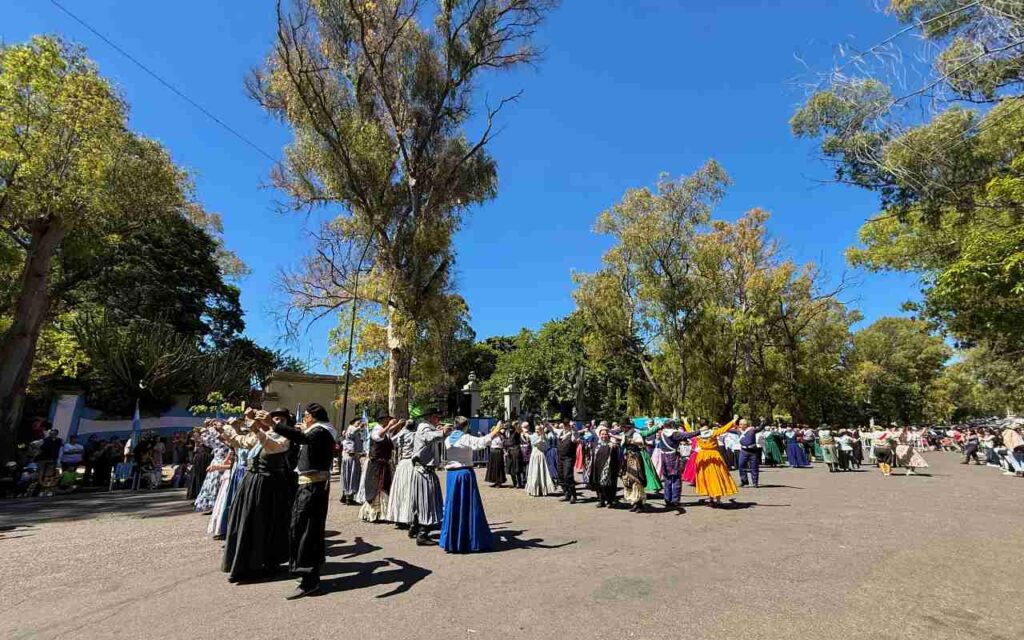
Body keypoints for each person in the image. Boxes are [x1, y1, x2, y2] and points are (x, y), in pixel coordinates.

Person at [217, 410, 293, 583]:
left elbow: (273, 446)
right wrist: (225, 429)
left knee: (263, 523)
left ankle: (264, 563)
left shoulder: (284, 437)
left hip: (269, 484)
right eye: (275, 418)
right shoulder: (263, 434)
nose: (277, 421)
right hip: (251, 481)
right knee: (246, 521)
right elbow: (241, 441)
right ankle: (244, 564)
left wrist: (257, 430)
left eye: (282, 419)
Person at [273, 402, 338, 600]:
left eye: (306, 416)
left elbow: (302, 437)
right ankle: (307, 575)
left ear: (313, 416)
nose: (303, 420)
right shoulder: (318, 431)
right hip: (308, 486)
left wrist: (274, 425)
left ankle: (310, 580)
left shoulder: (320, 431)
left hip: (313, 487)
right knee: (301, 529)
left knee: (306, 532)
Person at [439, 417, 504, 553]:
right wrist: (497, 429)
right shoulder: (465, 438)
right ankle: (470, 539)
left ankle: (452, 540)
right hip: (464, 474)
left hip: (452, 475)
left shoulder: (448, 439)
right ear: (466, 426)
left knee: (453, 506)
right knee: (468, 507)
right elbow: (481, 442)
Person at [408, 413, 450, 545]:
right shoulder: (424, 427)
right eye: (437, 417)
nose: (439, 419)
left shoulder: (426, 427)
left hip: (422, 469)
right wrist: (443, 432)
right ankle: (422, 533)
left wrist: (438, 430)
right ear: (431, 418)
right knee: (428, 500)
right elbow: (429, 437)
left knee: (420, 500)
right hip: (424, 470)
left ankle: (415, 527)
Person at [357, 416, 402, 522]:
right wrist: (390, 425)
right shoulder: (376, 429)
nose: (388, 421)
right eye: (386, 420)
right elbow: (379, 436)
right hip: (376, 464)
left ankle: (383, 513)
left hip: (383, 463)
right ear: (382, 421)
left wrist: (398, 424)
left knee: (384, 486)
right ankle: (375, 513)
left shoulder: (385, 430)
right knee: (376, 487)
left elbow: (388, 433)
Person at [693, 417, 739, 507]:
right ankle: (717, 499)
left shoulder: (697, 433)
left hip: (702, 456)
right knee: (717, 476)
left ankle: (710, 498)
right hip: (714, 455)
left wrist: (685, 422)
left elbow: (687, 432)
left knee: (706, 477)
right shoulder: (712, 432)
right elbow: (724, 429)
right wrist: (733, 420)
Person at [654, 420, 699, 508]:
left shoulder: (661, 432)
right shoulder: (674, 434)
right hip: (673, 457)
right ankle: (675, 500)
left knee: (667, 479)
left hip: (664, 456)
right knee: (676, 479)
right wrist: (699, 431)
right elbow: (687, 435)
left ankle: (667, 499)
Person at [387, 419, 420, 529]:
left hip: (402, 464)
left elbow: (392, 439)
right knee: (408, 491)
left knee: (401, 490)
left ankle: (400, 517)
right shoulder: (415, 435)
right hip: (411, 464)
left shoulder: (402, 434)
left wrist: (402, 427)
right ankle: (408, 517)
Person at [587, 424, 620, 508]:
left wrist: (614, 446)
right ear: (599, 435)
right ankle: (601, 500)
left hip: (609, 470)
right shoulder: (596, 445)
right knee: (598, 485)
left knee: (608, 486)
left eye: (605, 434)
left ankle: (609, 501)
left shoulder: (611, 445)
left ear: (608, 435)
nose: (604, 436)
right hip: (597, 469)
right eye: (602, 434)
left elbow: (616, 456)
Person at [525, 422, 557, 497]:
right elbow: (534, 443)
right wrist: (541, 437)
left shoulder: (544, 436)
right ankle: (534, 490)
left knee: (542, 473)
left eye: (538, 429)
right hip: (534, 456)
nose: (537, 431)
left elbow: (547, 446)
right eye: (536, 429)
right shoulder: (533, 436)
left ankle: (543, 490)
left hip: (541, 455)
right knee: (534, 473)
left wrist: (543, 436)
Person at [338, 418, 365, 505]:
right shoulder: (351, 429)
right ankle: (348, 496)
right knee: (350, 476)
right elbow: (351, 433)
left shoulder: (355, 431)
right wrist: (359, 427)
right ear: (353, 423)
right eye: (358, 422)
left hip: (354, 457)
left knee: (351, 477)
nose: (360, 423)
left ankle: (347, 495)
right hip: (350, 457)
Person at [737, 419, 766, 488]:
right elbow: (727, 429)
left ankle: (755, 482)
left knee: (754, 467)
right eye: (740, 424)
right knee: (741, 466)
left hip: (753, 451)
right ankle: (744, 481)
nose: (741, 425)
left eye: (742, 424)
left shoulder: (752, 430)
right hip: (743, 451)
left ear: (746, 425)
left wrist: (762, 422)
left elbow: (760, 428)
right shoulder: (738, 431)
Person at [186, 430, 213, 501]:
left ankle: (201, 497)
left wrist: (200, 442)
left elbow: (209, 449)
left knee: (202, 477)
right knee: (195, 478)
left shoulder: (206, 440)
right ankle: (197, 496)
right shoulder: (196, 442)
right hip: (198, 460)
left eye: (196, 435)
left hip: (205, 460)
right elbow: (195, 451)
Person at [555, 421, 578, 503]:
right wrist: (545, 422)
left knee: (568, 476)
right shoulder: (560, 433)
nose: (565, 426)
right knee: (560, 476)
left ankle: (573, 495)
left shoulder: (572, 434)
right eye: (564, 424)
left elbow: (575, 436)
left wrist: (573, 427)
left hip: (568, 458)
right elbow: (551, 429)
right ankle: (567, 493)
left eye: (566, 425)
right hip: (560, 458)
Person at [503, 422, 526, 489]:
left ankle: (519, 483)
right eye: (508, 428)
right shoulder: (507, 435)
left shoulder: (516, 433)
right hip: (510, 452)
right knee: (511, 469)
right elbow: (505, 443)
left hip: (516, 451)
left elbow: (519, 430)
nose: (509, 430)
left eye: (510, 428)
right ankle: (514, 483)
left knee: (517, 469)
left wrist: (515, 425)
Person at [485, 421, 507, 488]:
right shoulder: (492, 437)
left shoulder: (501, 437)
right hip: (492, 452)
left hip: (498, 452)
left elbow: (501, 444)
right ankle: (494, 481)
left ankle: (499, 481)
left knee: (498, 467)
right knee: (493, 467)